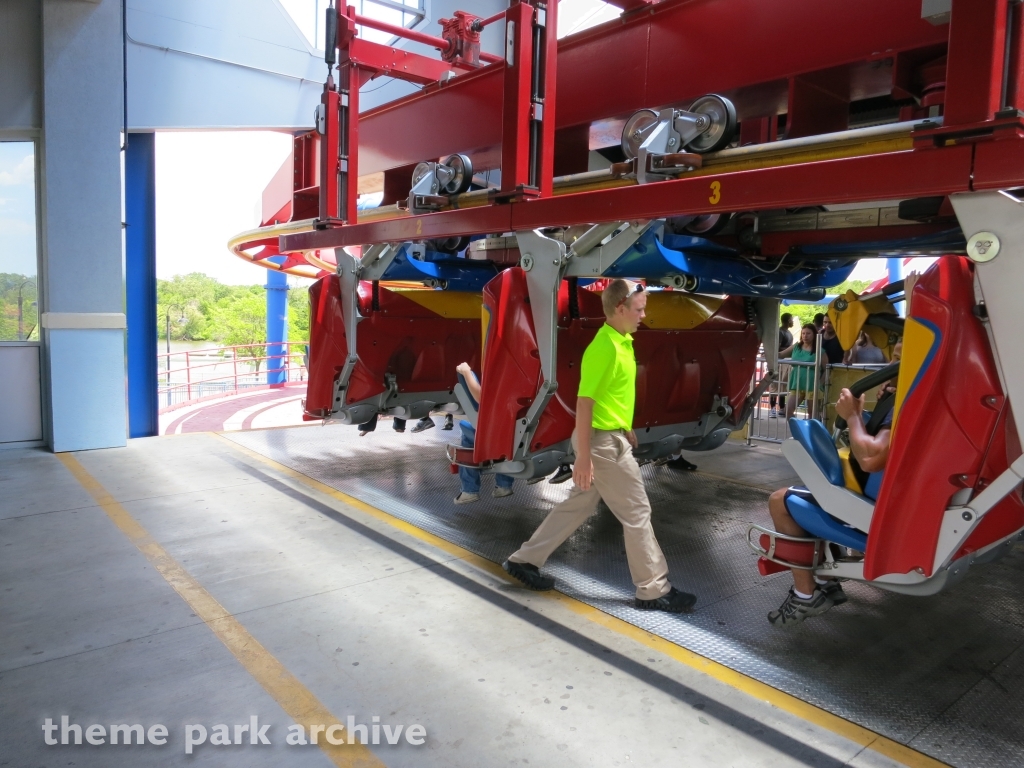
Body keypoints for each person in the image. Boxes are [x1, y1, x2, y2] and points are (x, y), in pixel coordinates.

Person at [503, 279, 697, 613]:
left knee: (578, 505)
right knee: (636, 512)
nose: (643, 315)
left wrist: (625, 425)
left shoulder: (623, 341)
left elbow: (612, 395)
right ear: (620, 307)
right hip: (602, 446)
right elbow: (585, 403)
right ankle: (653, 589)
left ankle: (524, 560)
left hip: (611, 437)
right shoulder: (604, 347)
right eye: (639, 309)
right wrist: (582, 458)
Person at [765, 382, 894, 626]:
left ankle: (805, 595)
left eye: (898, 362)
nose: (889, 376)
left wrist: (853, 416)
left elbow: (870, 458)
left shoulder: (905, 404)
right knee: (820, 493)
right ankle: (825, 580)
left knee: (780, 501)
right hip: (887, 501)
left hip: (876, 511)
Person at [453, 362, 514, 504]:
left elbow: (482, 399)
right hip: (520, 425)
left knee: (467, 432)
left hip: (500, 430)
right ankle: (504, 484)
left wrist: (467, 372)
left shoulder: (506, 371)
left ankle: (469, 490)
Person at [780, 324, 818, 420]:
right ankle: (797, 431)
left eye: (808, 333)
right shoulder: (796, 346)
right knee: (788, 410)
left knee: (812, 414)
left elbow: (825, 367)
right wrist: (768, 355)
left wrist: (820, 383)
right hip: (797, 384)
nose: (805, 336)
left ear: (814, 334)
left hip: (812, 385)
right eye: (803, 333)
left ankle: (811, 433)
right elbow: (781, 355)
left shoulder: (819, 349)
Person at [770, 313, 795, 418]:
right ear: (788, 320)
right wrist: (788, 351)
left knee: (783, 384)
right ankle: (772, 408)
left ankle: (781, 407)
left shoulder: (788, 332)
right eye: (791, 319)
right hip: (779, 362)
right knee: (775, 384)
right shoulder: (780, 332)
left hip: (786, 362)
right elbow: (776, 347)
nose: (792, 321)